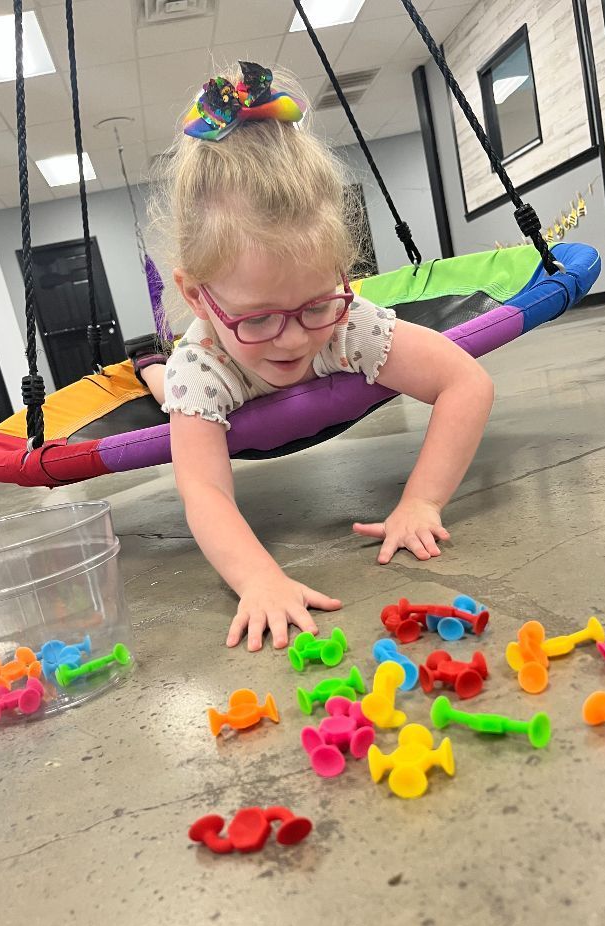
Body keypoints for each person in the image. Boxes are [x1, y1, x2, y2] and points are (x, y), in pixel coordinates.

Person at [142, 62, 494, 652]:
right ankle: (149, 367)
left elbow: (466, 383)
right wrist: (258, 578)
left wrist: (421, 500)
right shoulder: (202, 365)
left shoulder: (346, 321)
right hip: (213, 376)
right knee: (167, 391)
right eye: (257, 318)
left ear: (341, 273)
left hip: (273, 339)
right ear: (198, 296)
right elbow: (202, 488)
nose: (293, 339)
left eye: (313, 304)